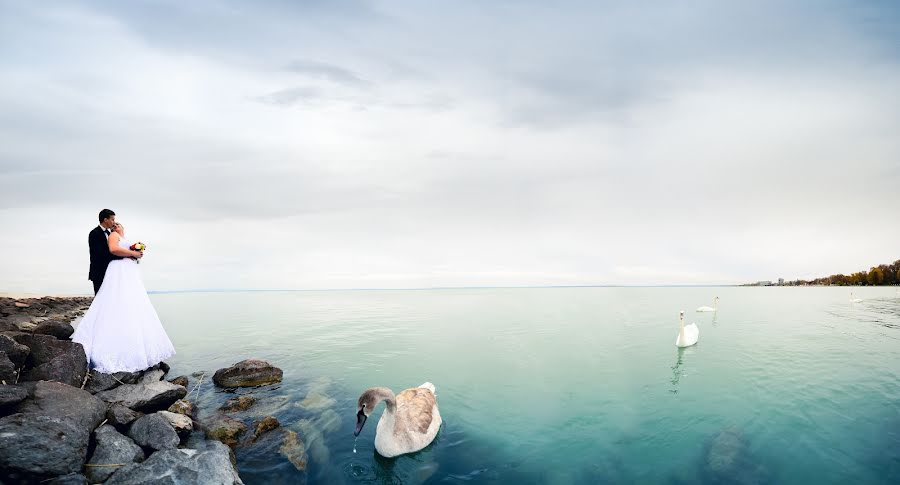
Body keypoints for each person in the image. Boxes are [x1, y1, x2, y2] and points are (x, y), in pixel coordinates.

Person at [73, 221, 175, 373]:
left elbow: (124, 251)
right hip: (120, 271)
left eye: (118, 225)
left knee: (132, 303)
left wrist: (135, 255)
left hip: (128, 271)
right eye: (115, 225)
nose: (117, 226)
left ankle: (139, 347)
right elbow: (114, 249)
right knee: (119, 301)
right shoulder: (114, 235)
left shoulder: (123, 238)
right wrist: (133, 253)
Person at [88, 209, 143, 295]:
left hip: (111, 270)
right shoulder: (94, 233)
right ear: (105, 220)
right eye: (112, 219)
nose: (114, 222)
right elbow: (102, 253)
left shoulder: (111, 233)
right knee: (100, 296)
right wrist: (127, 255)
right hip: (100, 270)